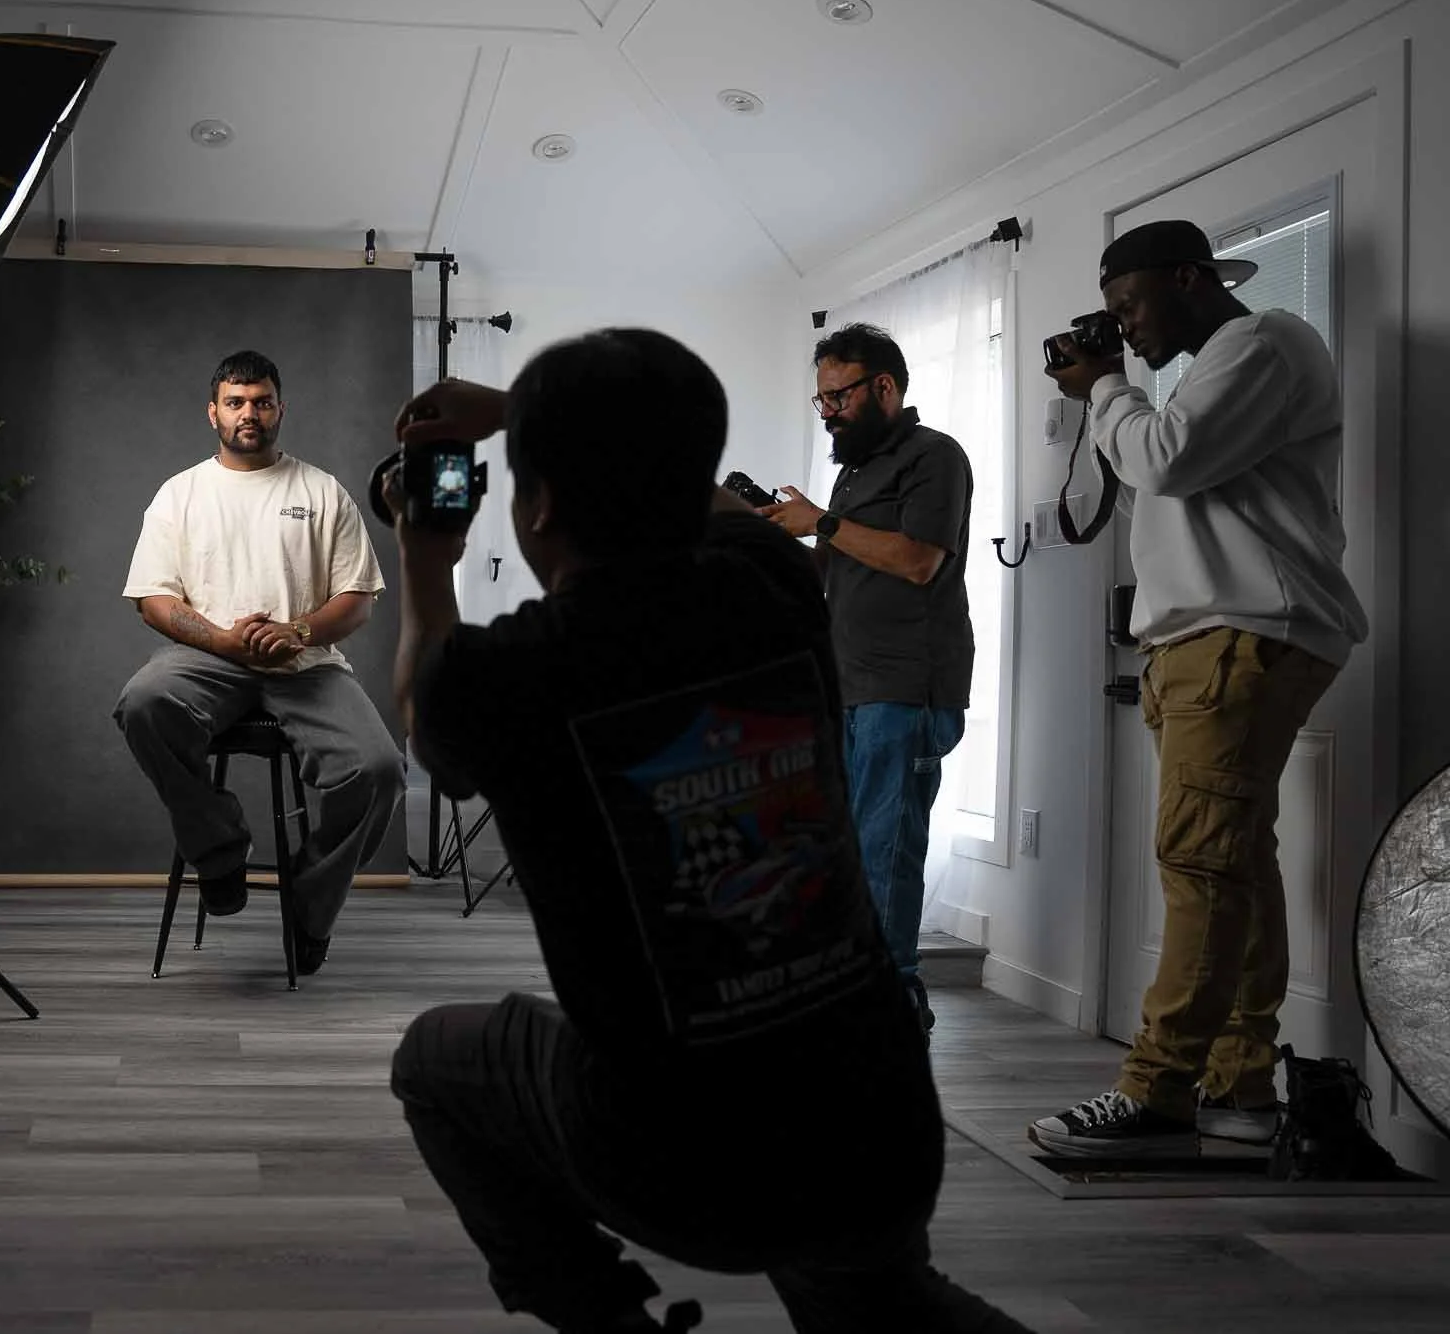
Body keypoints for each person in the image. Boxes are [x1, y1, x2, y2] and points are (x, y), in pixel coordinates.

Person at [385, 329, 1033, 1333]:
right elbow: (701, 492)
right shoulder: (774, 585)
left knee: (433, 1061)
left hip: (681, 1165)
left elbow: (428, 730)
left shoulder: (505, 676)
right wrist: (531, 410)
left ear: (539, 505)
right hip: (880, 1126)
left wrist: (425, 561)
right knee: (880, 1298)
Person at [1031, 219, 1368, 1159]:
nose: (1122, 329)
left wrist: (1103, 387)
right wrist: (1111, 396)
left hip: (1242, 635)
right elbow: (1173, 482)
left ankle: (1157, 1092)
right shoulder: (1209, 372)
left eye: (1128, 306)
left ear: (1189, 278)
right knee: (1235, 865)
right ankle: (1237, 1086)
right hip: (1203, 641)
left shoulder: (1260, 342)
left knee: (1200, 863)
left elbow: (1166, 459)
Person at [115, 349, 405, 973]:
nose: (250, 413)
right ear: (212, 411)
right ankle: (219, 851)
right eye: (236, 402)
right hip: (209, 659)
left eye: (262, 401)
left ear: (280, 408)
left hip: (307, 665)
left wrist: (297, 630)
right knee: (143, 702)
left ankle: (311, 901)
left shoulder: (321, 490)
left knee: (380, 769)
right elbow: (153, 599)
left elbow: (357, 600)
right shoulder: (180, 494)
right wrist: (220, 640)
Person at [761, 323, 974, 1035]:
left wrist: (821, 522)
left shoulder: (935, 457)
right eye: (819, 400)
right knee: (850, 848)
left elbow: (918, 560)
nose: (827, 412)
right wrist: (775, 534)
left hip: (908, 688)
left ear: (883, 386)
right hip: (848, 688)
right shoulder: (853, 470)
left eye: (838, 396)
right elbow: (833, 570)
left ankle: (889, 1001)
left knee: (886, 848)